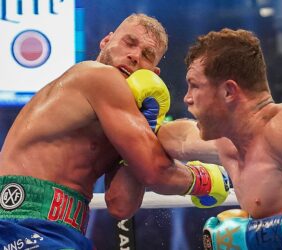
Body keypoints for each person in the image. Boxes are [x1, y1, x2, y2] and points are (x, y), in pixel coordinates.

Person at [0, 14, 229, 249]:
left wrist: (146, 128)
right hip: (19, 224)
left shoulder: (118, 123)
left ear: (154, 73)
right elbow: (155, 171)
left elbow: (121, 205)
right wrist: (204, 179)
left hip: (58, 231)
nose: (134, 56)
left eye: (147, 55)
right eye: (129, 43)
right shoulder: (96, 75)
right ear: (106, 41)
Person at [158, 28, 282, 249]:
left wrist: (251, 237)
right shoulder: (227, 141)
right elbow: (179, 139)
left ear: (229, 92)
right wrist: (133, 112)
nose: (187, 98)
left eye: (195, 85)